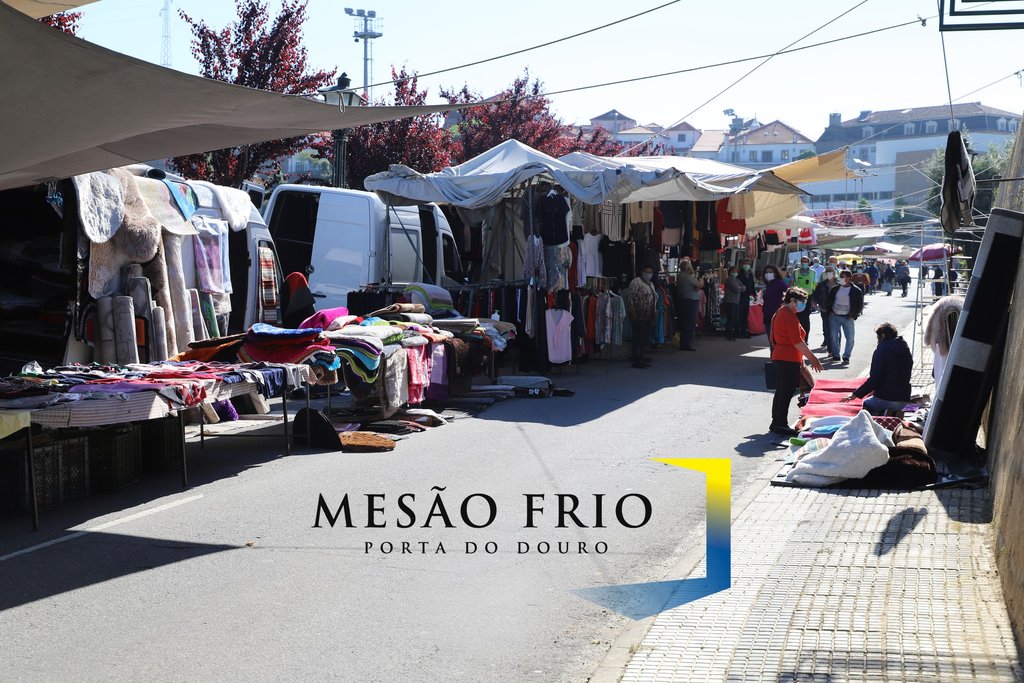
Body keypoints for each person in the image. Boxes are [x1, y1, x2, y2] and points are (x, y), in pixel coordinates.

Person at [769, 287, 824, 436]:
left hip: (783, 357)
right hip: (787, 358)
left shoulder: (782, 312)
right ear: (792, 300)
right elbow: (797, 341)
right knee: (785, 392)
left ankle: (776, 423)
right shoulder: (788, 314)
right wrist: (813, 359)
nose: (803, 305)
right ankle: (780, 424)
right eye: (801, 302)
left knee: (782, 392)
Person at [840, 322, 912, 415]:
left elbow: (875, 378)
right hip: (903, 399)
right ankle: (893, 413)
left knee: (866, 405)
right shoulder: (904, 348)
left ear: (882, 336)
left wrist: (855, 394)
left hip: (886, 398)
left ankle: (882, 415)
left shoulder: (882, 350)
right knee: (878, 399)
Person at [826, 269, 865, 363]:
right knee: (833, 336)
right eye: (840, 276)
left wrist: (854, 315)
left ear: (849, 278)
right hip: (835, 316)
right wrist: (830, 311)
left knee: (850, 338)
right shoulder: (835, 289)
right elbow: (829, 301)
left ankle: (846, 356)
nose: (841, 278)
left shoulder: (856, 290)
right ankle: (836, 355)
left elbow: (860, 304)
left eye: (843, 277)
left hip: (848, 317)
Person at [625, 265, 658, 368]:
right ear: (642, 272)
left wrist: (654, 314)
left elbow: (654, 300)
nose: (648, 275)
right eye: (646, 272)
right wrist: (632, 312)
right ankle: (636, 359)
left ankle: (641, 356)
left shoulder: (651, 284)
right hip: (638, 315)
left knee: (644, 337)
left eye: (650, 272)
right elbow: (630, 297)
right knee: (637, 337)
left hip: (648, 315)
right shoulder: (636, 282)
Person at [675, 261, 703, 351]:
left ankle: (684, 342)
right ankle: (686, 344)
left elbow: (695, 287)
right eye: (689, 266)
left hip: (684, 300)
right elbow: (699, 285)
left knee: (685, 322)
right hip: (690, 301)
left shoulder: (680, 276)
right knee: (689, 323)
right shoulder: (687, 277)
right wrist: (701, 280)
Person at [811, 265, 838, 357]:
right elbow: (815, 295)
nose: (829, 273)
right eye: (827, 271)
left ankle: (836, 350)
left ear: (834, 273)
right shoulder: (821, 284)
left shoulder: (839, 284)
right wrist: (815, 302)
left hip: (837, 311)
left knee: (836, 331)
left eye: (831, 271)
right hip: (825, 310)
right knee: (828, 330)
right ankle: (831, 351)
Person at [761, 264, 787, 345]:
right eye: (766, 272)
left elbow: (786, 298)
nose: (768, 274)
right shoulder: (768, 285)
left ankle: (776, 356)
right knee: (771, 339)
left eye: (770, 272)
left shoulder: (781, 284)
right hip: (767, 315)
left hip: (777, 315)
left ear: (775, 273)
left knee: (775, 340)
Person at [792, 257, 817, 338]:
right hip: (797, 297)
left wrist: (814, 299)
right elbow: (791, 284)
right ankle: (798, 336)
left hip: (808, 297)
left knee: (806, 318)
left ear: (809, 262)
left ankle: (805, 338)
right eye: (802, 261)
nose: (804, 263)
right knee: (797, 317)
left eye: (806, 261)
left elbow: (815, 286)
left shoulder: (813, 272)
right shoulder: (795, 272)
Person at [722, 266, 746, 341]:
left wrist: (740, 287)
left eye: (736, 271)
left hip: (736, 301)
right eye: (733, 271)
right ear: (730, 272)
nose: (735, 272)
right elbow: (737, 290)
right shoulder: (729, 280)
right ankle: (728, 334)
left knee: (735, 318)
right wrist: (740, 287)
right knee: (731, 318)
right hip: (729, 301)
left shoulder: (737, 280)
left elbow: (744, 287)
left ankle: (731, 333)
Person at [736, 259, 756, 338]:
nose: (746, 265)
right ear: (741, 265)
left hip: (747, 296)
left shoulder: (750, 274)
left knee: (745, 315)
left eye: (747, 263)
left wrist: (754, 294)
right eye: (744, 263)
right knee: (739, 315)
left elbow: (752, 285)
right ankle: (738, 332)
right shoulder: (739, 275)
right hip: (740, 296)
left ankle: (744, 332)